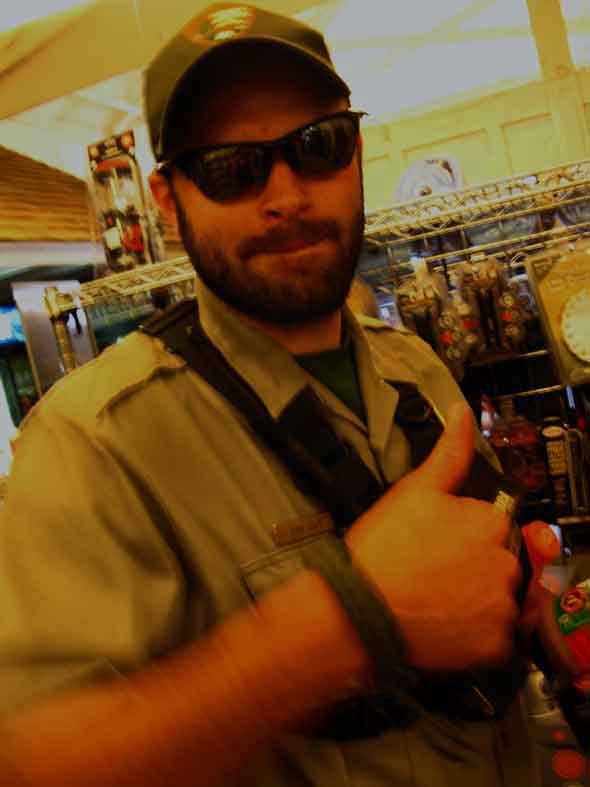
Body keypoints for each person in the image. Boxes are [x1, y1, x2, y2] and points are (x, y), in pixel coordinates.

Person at [0, 4, 543, 785]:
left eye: (318, 146)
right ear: (165, 199)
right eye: (231, 167)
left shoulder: (416, 367)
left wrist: (517, 605)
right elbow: (35, 762)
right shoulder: (97, 440)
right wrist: (351, 624)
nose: (286, 193)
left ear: (357, 151)